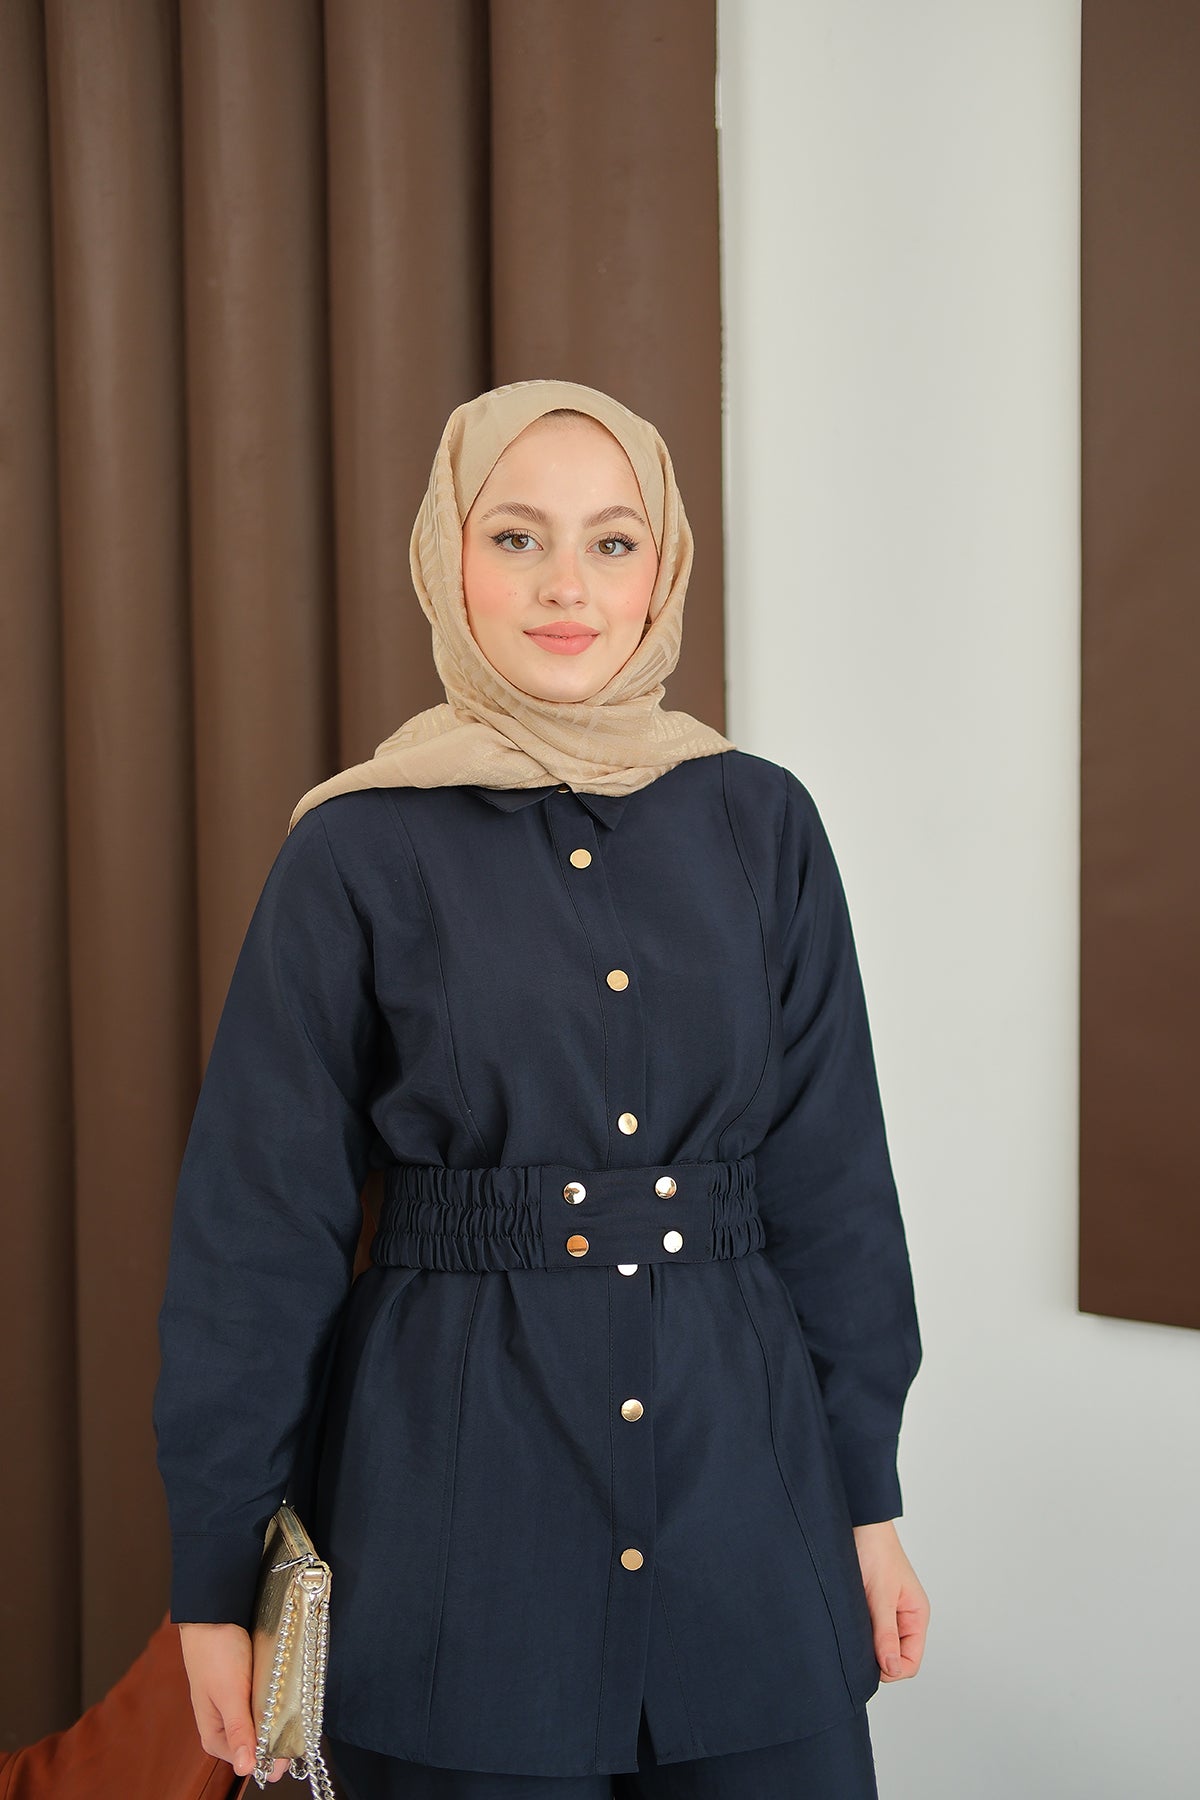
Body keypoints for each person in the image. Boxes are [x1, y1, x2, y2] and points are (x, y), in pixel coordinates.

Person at [154, 378, 928, 1800]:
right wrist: (218, 1579)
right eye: (516, 537)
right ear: (445, 558)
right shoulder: (351, 853)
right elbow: (254, 1236)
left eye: (611, 542)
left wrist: (865, 1500)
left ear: (662, 568)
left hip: (746, 1504)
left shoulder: (763, 825)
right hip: (453, 1521)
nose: (568, 584)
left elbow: (834, 1188)